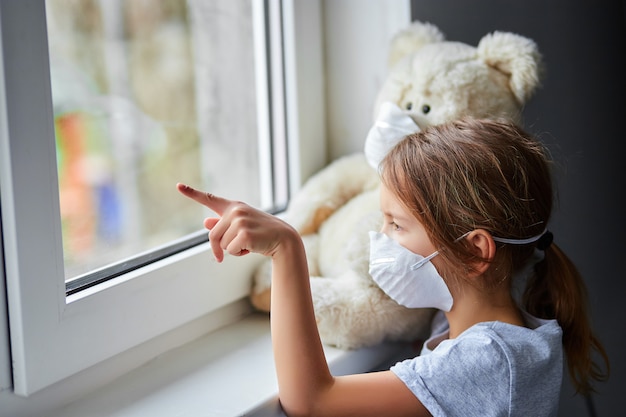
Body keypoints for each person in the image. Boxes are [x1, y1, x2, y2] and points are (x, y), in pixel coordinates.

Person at [177, 117, 609, 417]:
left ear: (476, 251)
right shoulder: (487, 315)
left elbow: (311, 401)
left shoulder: (490, 358)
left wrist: (287, 248)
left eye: (396, 225)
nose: (379, 238)